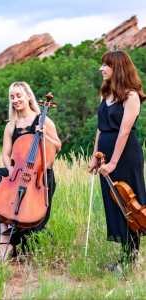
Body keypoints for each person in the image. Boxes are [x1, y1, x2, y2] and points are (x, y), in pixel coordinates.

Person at [0, 81, 62, 260]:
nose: (15, 100)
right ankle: (5, 238)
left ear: (29, 96)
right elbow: (6, 154)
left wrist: (45, 134)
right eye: (12, 97)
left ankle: (22, 239)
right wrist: (12, 170)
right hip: (18, 171)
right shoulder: (11, 124)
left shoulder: (43, 120)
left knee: (32, 226)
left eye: (19, 96)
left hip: (39, 176)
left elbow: (57, 146)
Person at [88, 50, 146, 267]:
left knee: (129, 203)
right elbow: (100, 129)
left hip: (126, 155)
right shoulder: (105, 93)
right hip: (105, 155)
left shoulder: (132, 96)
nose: (101, 69)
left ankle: (131, 260)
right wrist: (96, 158)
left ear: (118, 67)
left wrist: (113, 162)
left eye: (105, 65)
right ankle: (126, 255)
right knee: (115, 203)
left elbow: (123, 132)